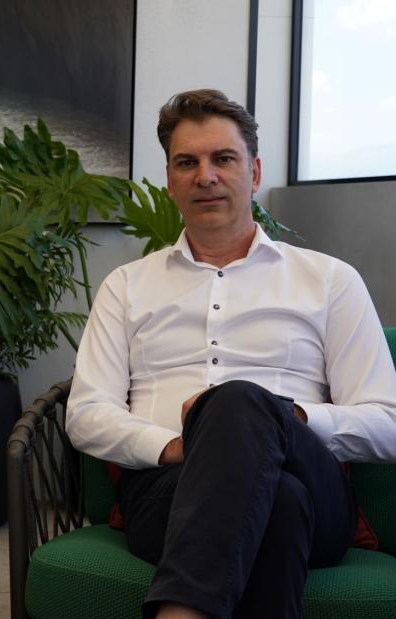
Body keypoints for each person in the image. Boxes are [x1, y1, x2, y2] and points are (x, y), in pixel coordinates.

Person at [66, 89, 396, 619]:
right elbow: (86, 414)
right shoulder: (126, 286)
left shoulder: (330, 281)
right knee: (277, 502)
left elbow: (387, 424)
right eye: (187, 163)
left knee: (240, 401)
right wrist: (178, 447)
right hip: (167, 490)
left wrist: (283, 419)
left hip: (317, 491)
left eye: (223, 158)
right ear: (170, 180)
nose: (206, 176)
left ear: (254, 170)